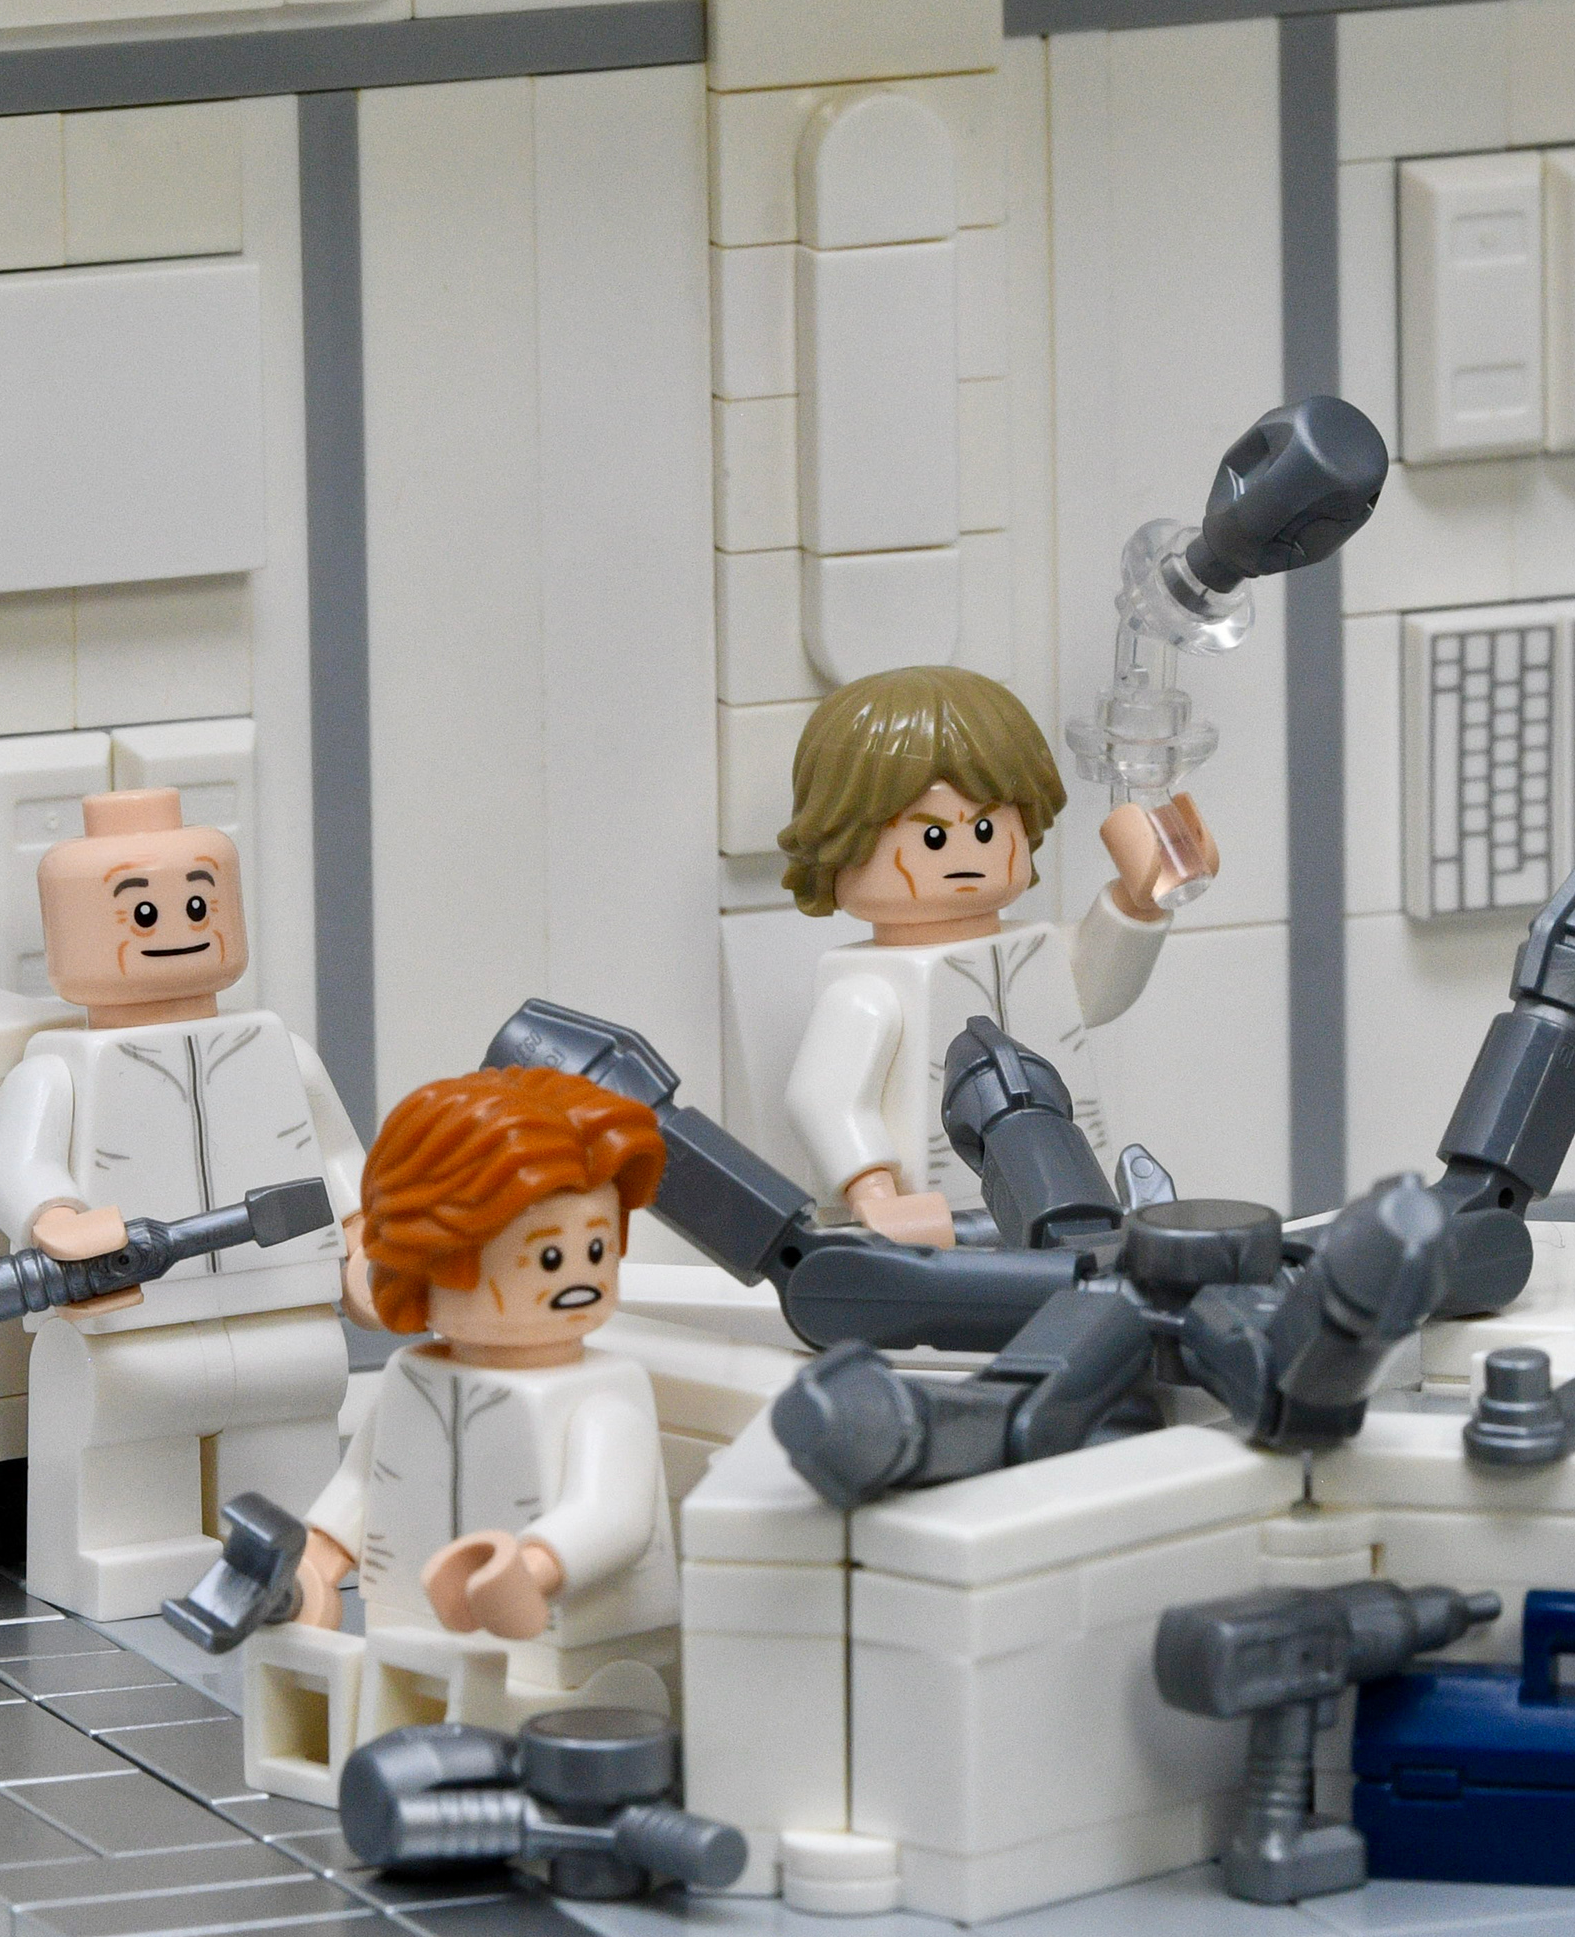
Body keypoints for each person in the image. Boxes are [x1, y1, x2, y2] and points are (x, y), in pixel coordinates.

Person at [243, 1067, 681, 1802]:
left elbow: (613, 1515)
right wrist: (317, 1562)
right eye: (548, 1257)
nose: (578, 1277)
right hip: (405, 1637)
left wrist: (532, 1567)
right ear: (433, 1258)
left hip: (568, 1662)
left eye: (597, 1250)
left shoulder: (603, 1395)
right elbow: (362, 1482)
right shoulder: (414, 1376)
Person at [0, 789, 368, 1618]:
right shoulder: (56, 1071)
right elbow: (16, 1167)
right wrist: (56, 1219)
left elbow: (339, 1156)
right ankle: (136, 1551)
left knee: (287, 1432)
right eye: (143, 913)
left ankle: (294, 1562)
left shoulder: (281, 1052)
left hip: (284, 1313)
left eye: (198, 905)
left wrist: (364, 1234)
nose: (179, 927)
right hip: (128, 1324)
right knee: (126, 1444)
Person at [777, 664, 1207, 1242]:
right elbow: (823, 1099)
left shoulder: (1033, 949)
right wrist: (876, 1196)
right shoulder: (868, 990)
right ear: (839, 840)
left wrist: (1138, 905)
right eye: (933, 836)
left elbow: (1095, 991)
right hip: (943, 1225)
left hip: (1075, 1198)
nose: (965, 854)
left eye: (985, 830)